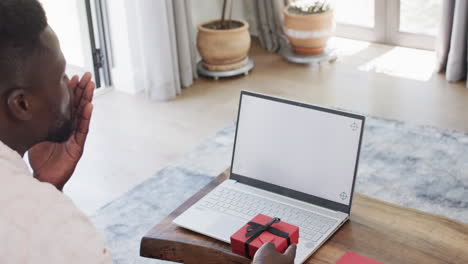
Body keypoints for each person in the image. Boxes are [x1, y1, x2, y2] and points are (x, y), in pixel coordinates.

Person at [0, 0, 296, 263]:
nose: (70, 83)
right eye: (60, 74)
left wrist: (47, 187)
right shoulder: (52, 230)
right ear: (22, 104)